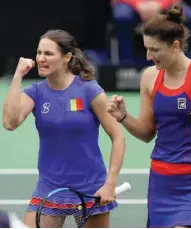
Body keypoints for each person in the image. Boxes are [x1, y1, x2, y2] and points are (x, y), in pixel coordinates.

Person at [107, 4, 191, 228]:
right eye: (146, 48)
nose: (148, 56)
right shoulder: (150, 78)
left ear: (175, 46)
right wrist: (124, 117)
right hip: (161, 184)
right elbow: (146, 133)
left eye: (154, 50)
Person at [2, 29, 126, 228]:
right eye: (39, 52)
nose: (41, 58)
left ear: (67, 57)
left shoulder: (89, 90)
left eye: (48, 54)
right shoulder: (36, 92)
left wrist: (109, 184)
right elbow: (9, 122)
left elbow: (118, 137)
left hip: (90, 189)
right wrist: (17, 76)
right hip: (49, 188)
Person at [111, 0, 191, 64]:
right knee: (122, 16)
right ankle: (126, 64)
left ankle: (181, 61)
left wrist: (160, 5)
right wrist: (137, 4)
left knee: (188, 16)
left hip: (165, 4)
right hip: (132, 4)